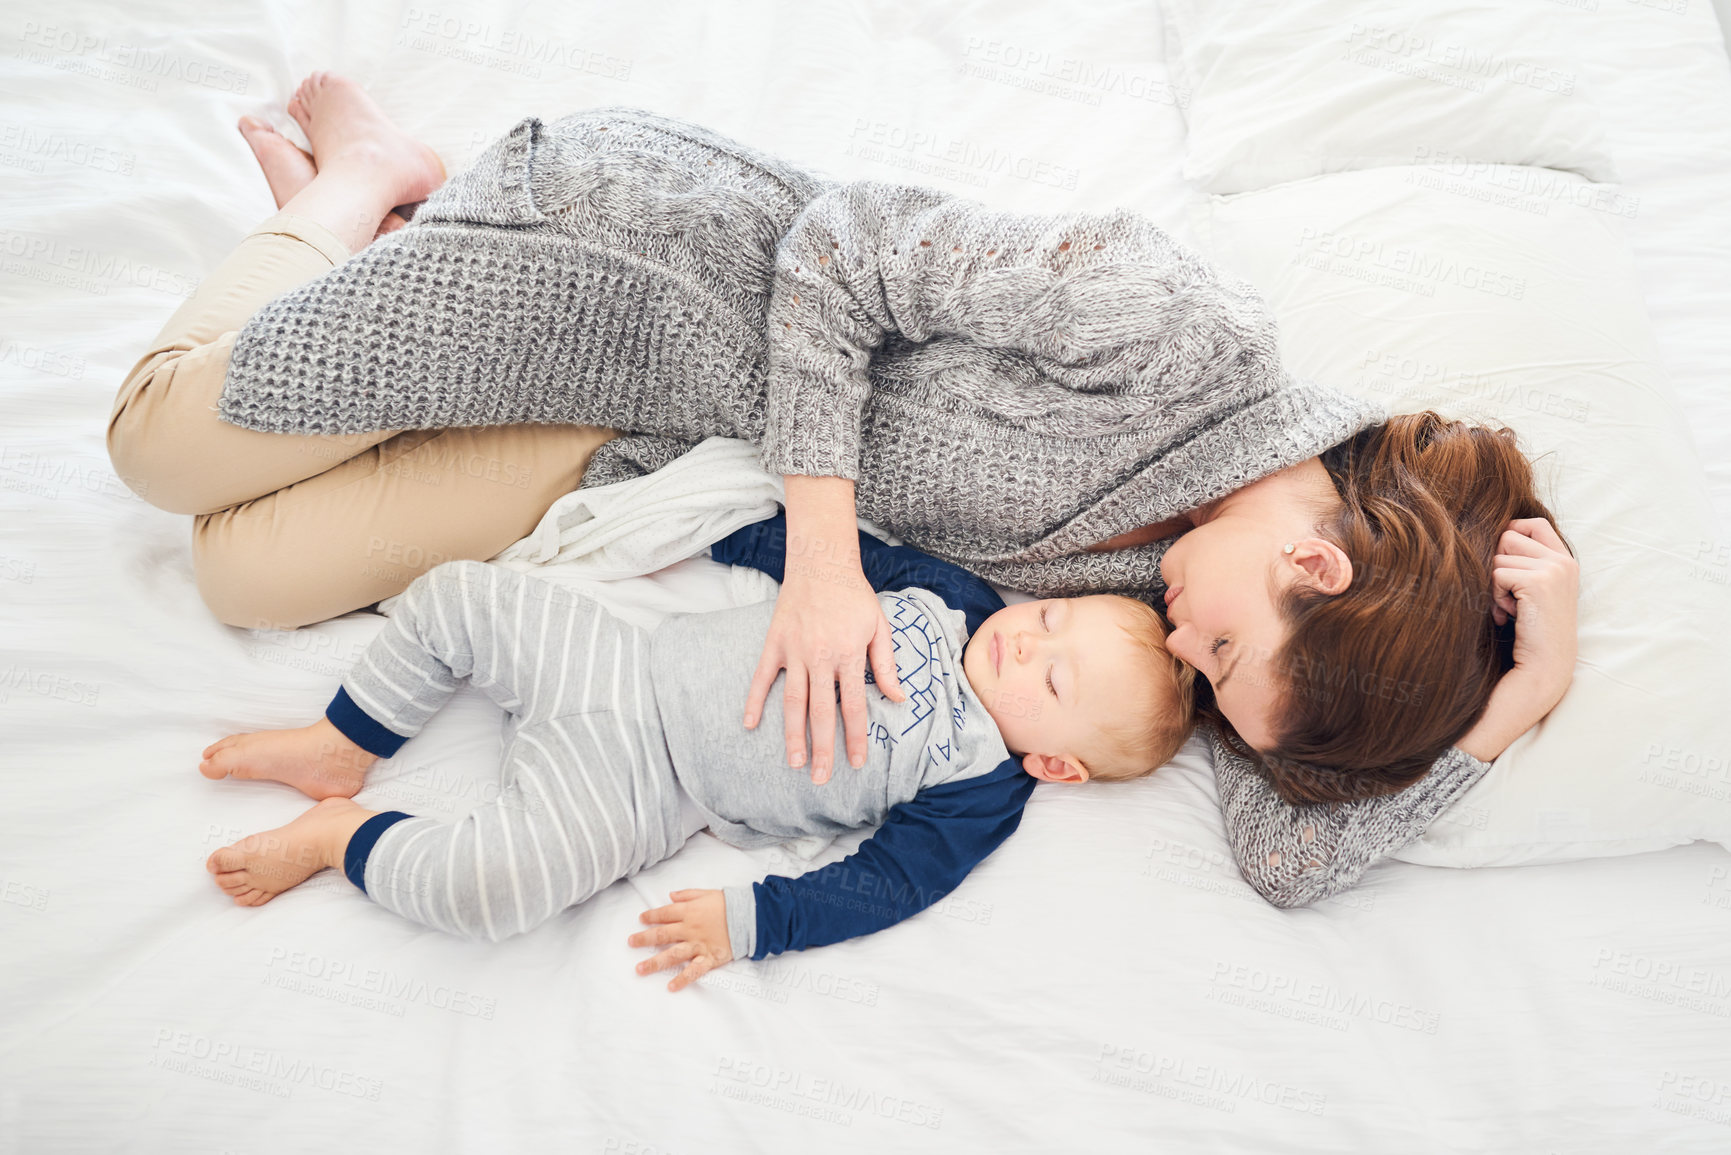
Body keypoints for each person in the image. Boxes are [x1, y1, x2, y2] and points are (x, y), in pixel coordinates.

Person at [112, 73, 1577, 909]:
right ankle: (361, 181)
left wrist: (1514, 695)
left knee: (244, 572)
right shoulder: (1181, 338)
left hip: (636, 457)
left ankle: (372, 237)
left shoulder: (1161, 599)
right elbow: (839, 242)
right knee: (158, 448)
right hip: (640, 272)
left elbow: (1285, 858)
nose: (1185, 660)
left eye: (1198, 670)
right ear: (1314, 568)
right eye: (1222, 649)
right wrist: (823, 558)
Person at [198, 512, 1197, 990]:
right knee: (460, 592)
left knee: (491, 891)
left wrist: (756, 922)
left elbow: (888, 886)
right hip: (621, 661)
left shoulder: (979, 788)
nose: (1030, 640)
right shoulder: (960, 601)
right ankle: (343, 741)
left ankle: (340, 837)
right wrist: (734, 532)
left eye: (1054, 680)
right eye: (1055, 616)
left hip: (646, 792)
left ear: (1056, 764)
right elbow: (844, 562)